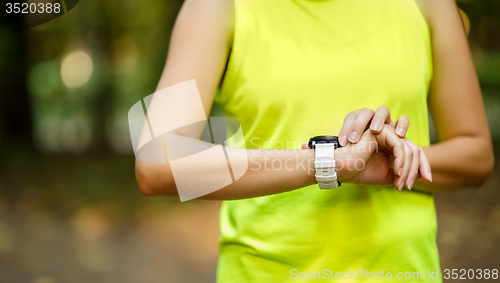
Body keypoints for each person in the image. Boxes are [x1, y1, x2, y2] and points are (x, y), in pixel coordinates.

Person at [135, 0, 494, 282]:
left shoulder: (426, 3)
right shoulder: (217, 6)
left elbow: (476, 154)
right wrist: (330, 164)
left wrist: (393, 163)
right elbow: (157, 162)